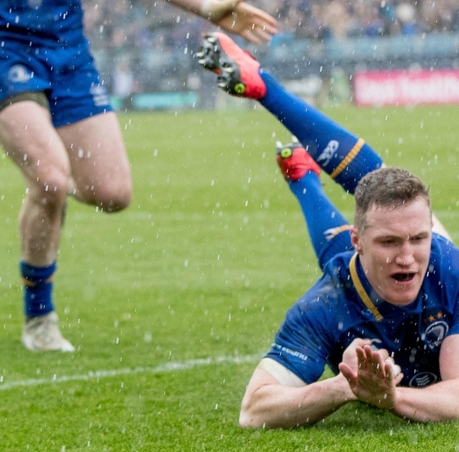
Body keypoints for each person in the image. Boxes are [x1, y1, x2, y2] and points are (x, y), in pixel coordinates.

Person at [195, 33, 459, 428]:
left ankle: (301, 172)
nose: (407, 255)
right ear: (359, 244)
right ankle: (278, 118)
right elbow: (254, 411)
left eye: (418, 239)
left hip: (381, 262)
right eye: (391, 242)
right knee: (370, 202)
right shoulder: (324, 305)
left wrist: (391, 398)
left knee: (375, 198)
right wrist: (344, 387)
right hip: (353, 273)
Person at [0, 0, 277, 351]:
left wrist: (208, 8)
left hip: (67, 53)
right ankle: (39, 318)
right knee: (51, 181)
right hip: (6, 50)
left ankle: (46, 183)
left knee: (113, 193)